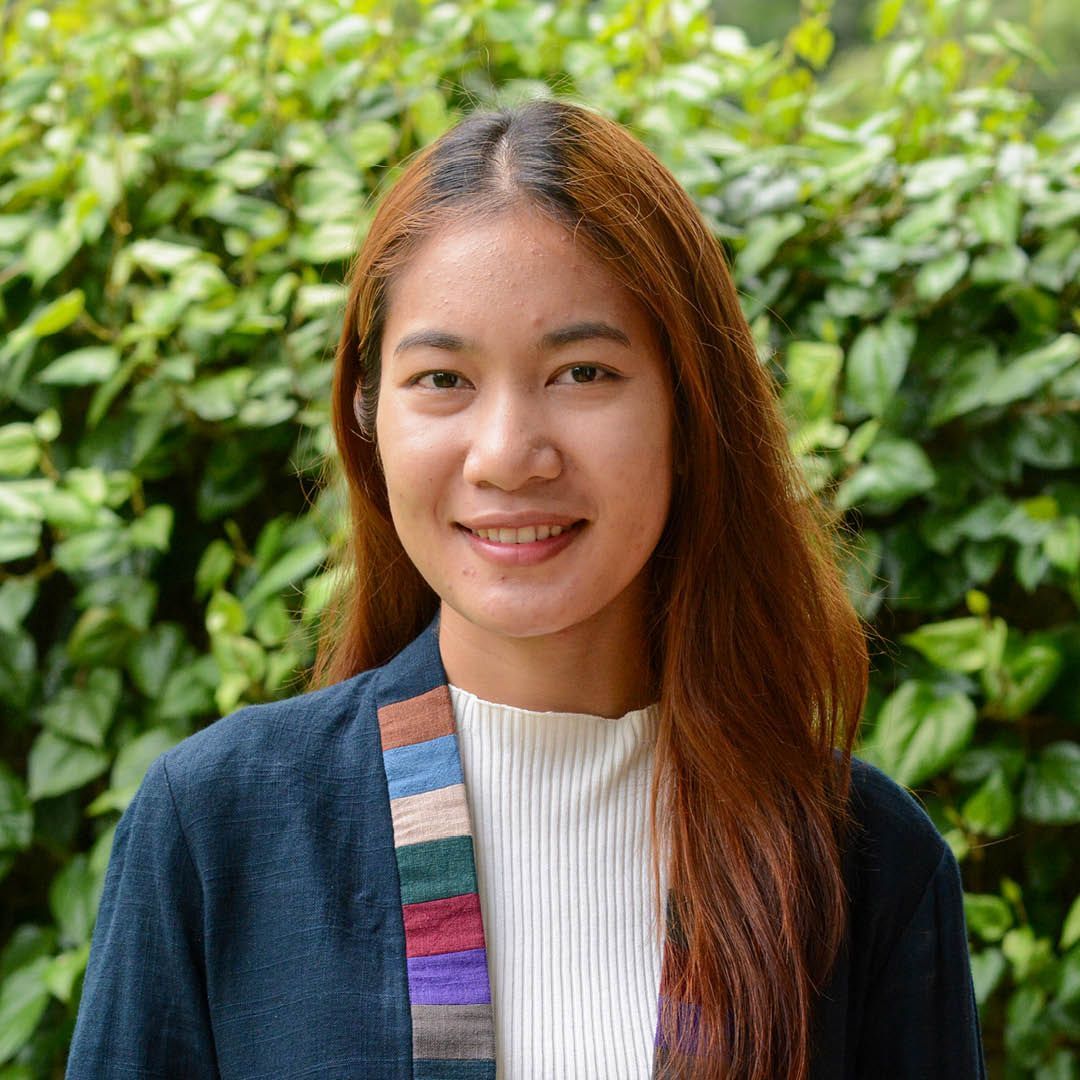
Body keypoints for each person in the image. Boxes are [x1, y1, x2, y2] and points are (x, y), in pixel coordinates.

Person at [66, 99, 987, 1080]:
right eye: (442, 380)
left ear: (689, 406)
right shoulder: (220, 831)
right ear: (368, 416)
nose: (507, 455)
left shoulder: (865, 865)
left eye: (583, 371)